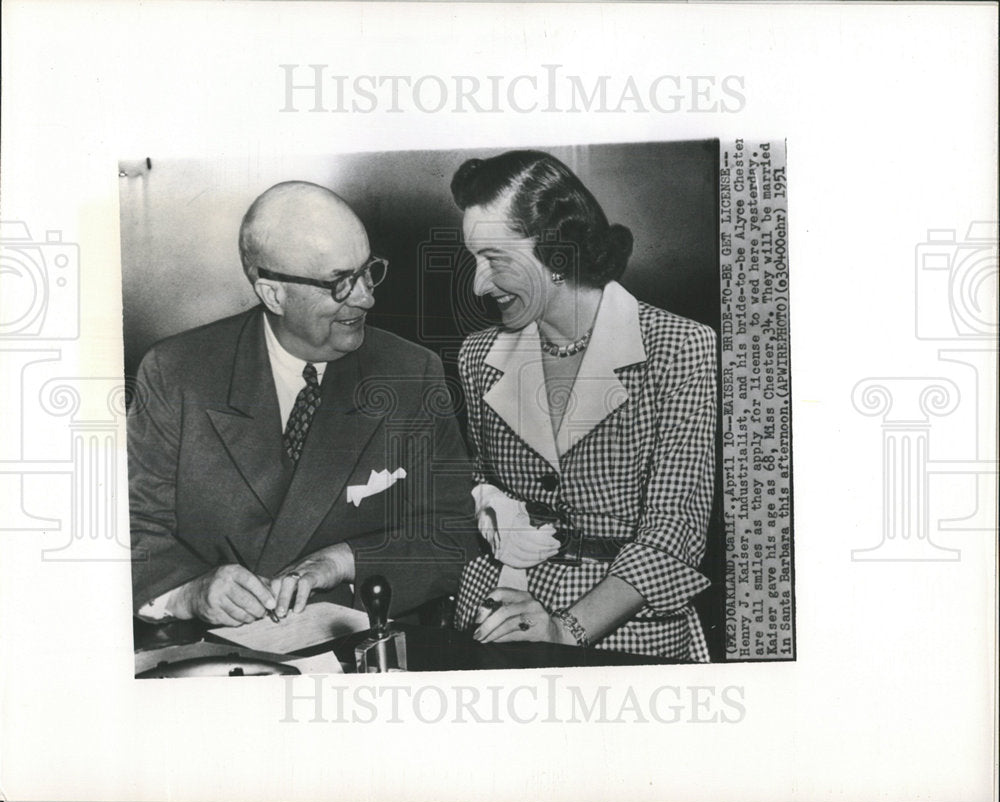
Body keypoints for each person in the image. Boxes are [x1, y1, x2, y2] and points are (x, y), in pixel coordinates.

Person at [129, 181, 476, 627]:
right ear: (273, 293)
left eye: (368, 271)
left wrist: (346, 560)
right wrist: (189, 593)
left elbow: (454, 536)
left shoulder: (411, 374)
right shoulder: (175, 373)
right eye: (340, 283)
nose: (367, 297)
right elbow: (132, 532)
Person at [450, 151, 717, 661]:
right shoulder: (478, 354)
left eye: (494, 258)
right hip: (492, 617)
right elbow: (475, 476)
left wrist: (564, 631)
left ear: (556, 253)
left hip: (626, 634)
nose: (479, 284)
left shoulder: (680, 347)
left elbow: (674, 528)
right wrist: (489, 505)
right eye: (473, 259)